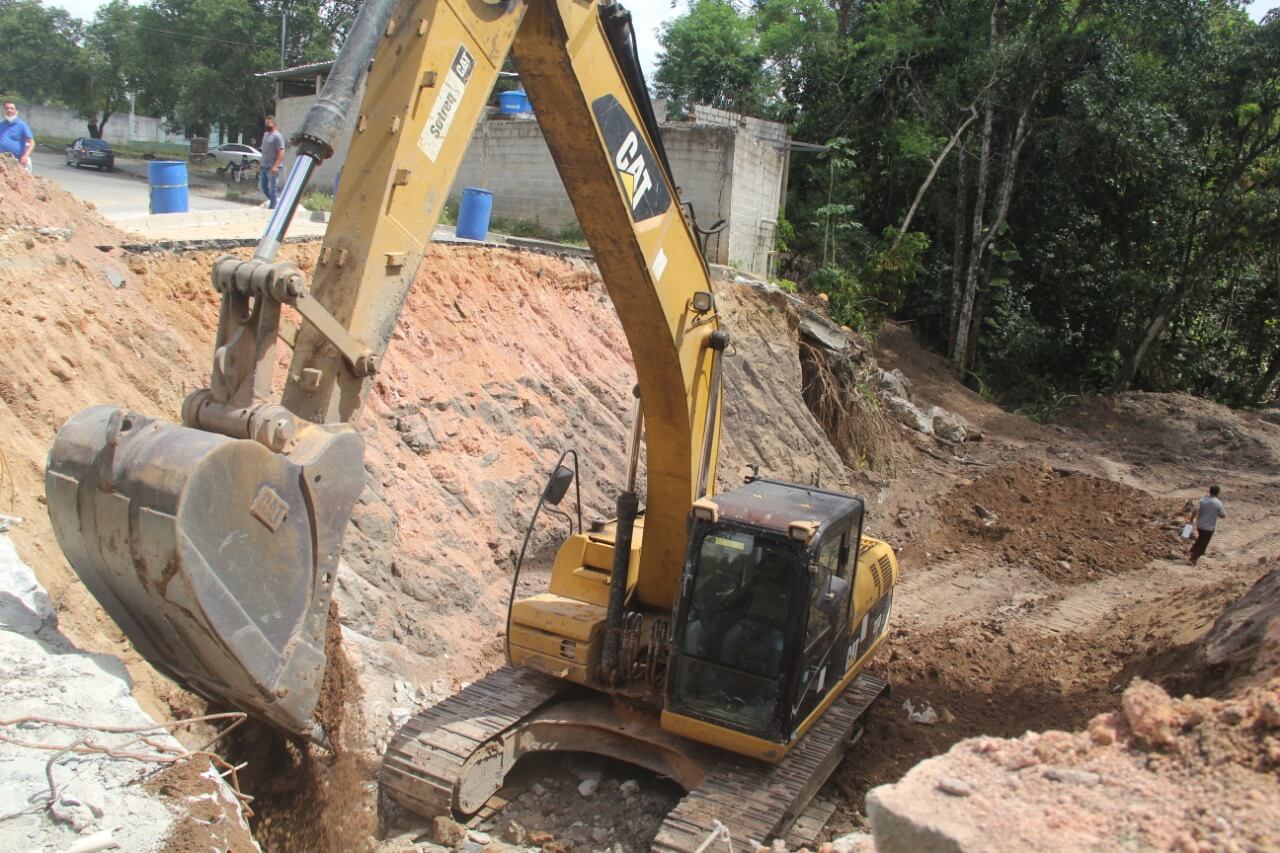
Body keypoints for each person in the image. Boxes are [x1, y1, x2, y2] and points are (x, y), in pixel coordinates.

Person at [1188, 484, 1226, 565]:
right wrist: (1216, 513)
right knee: (1203, 544)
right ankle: (1193, 559)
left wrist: (1191, 520)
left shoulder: (1203, 500)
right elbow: (1223, 515)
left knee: (1200, 539)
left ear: (1210, 491)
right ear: (1218, 493)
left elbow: (1195, 510)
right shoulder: (1218, 503)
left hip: (1200, 525)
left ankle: (1192, 551)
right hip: (1209, 527)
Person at [258, 116, 286, 209]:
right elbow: (264, 151)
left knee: (272, 188)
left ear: (274, 124)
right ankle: (276, 203)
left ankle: (273, 207)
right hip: (264, 166)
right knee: (263, 187)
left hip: (272, 167)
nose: (266, 125)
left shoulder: (277, 136)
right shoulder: (266, 134)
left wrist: (275, 166)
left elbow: (281, 152)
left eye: (268, 123)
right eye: (266, 123)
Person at [0, 101, 35, 173]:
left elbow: (32, 142)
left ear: (16, 111)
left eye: (11, 108)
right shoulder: (1, 125)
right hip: (2, 161)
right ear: (4, 111)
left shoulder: (22, 125)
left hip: (18, 161)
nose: (9, 110)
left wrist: (25, 156)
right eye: (7, 108)